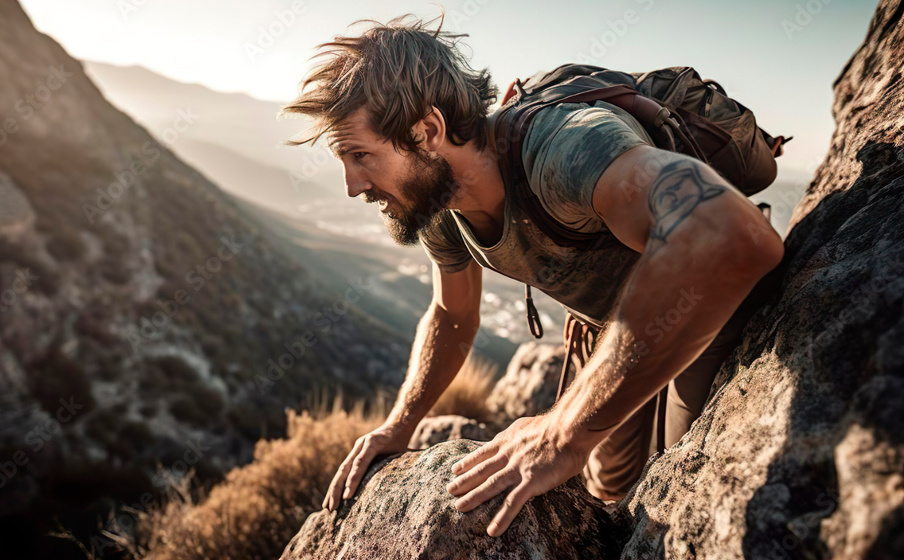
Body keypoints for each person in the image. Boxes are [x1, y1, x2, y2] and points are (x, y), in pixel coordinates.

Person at [280, 14, 784, 537]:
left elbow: (725, 234)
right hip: (611, 327)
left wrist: (561, 432)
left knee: (680, 499)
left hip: (710, 314)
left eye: (361, 156)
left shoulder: (565, 146)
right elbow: (452, 316)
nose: (351, 185)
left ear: (426, 131)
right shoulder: (437, 206)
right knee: (607, 489)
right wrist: (400, 424)